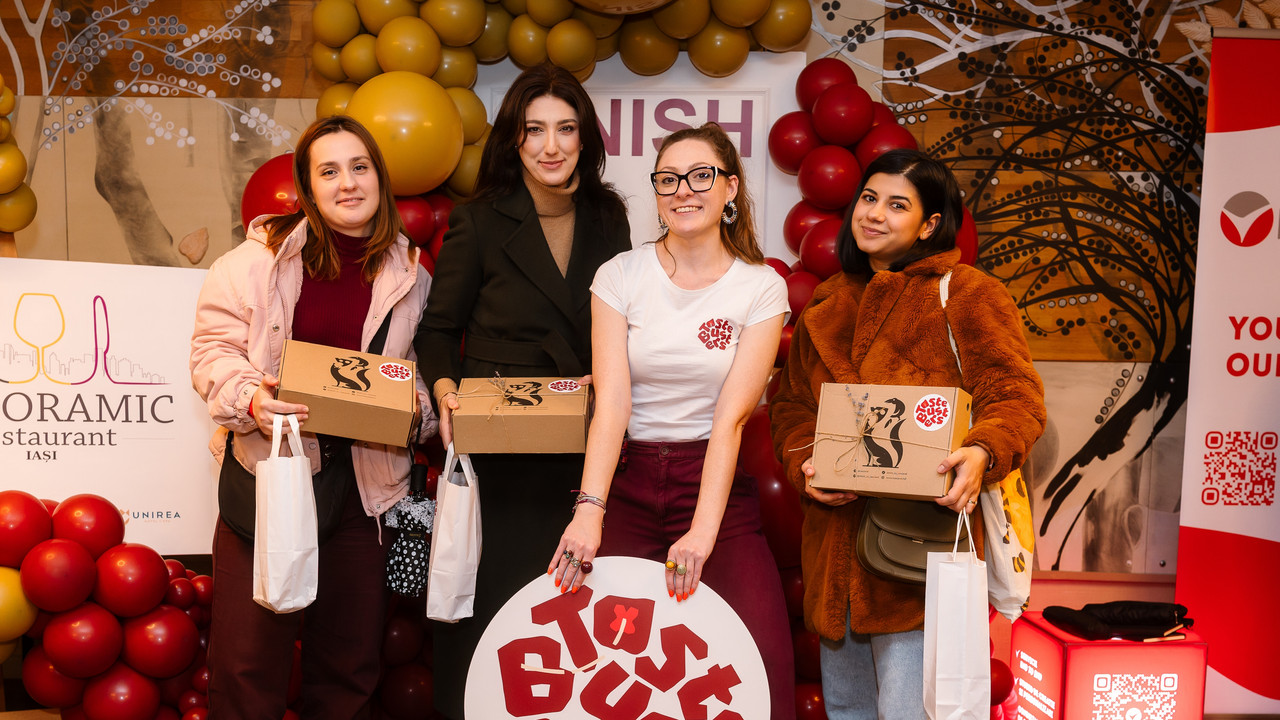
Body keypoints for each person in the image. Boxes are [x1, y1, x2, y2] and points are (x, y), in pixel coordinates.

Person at [769, 149, 1046, 719]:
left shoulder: (966, 293)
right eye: (869, 198)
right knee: (846, 710)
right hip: (834, 560)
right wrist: (806, 465)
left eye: (897, 205)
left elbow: (1016, 397)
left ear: (929, 224)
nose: (874, 213)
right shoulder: (827, 301)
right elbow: (791, 407)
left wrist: (982, 450)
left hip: (920, 561)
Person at [190, 114, 438, 719]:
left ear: (380, 179)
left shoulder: (413, 274)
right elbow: (212, 353)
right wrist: (251, 398)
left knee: (349, 672)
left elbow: (422, 378)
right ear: (306, 187)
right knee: (246, 669)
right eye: (329, 171)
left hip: (366, 491)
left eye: (360, 167)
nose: (347, 183)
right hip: (270, 479)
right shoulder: (252, 262)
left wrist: (417, 413)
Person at [548, 122, 797, 720]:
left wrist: (703, 532)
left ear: (730, 188)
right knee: (597, 665)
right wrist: (589, 510)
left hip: (712, 482)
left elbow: (732, 419)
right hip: (626, 482)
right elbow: (612, 403)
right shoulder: (620, 275)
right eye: (668, 179)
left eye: (700, 176)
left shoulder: (761, 287)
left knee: (761, 662)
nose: (683, 190)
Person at [412, 63, 631, 719]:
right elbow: (437, 330)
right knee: (489, 608)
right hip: (498, 446)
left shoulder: (609, 216)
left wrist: (609, 371)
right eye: (535, 130)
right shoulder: (478, 220)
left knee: (572, 618)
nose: (551, 146)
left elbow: (620, 325)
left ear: (585, 137)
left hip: (583, 448)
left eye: (566, 128)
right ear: (514, 138)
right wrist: (447, 393)